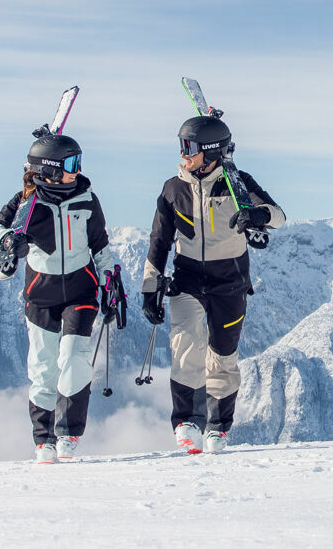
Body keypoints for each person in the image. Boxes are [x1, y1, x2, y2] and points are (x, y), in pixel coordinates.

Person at [141, 114, 285, 454]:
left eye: (188, 147)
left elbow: (278, 215)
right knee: (186, 344)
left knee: (223, 356)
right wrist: (150, 287)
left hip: (230, 283)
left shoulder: (237, 183)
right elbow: (159, 241)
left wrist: (257, 215)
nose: (182, 155)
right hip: (188, 280)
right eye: (181, 146)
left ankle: (218, 426)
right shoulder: (173, 189)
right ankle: (188, 421)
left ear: (210, 152)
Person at [0, 132, 120, 464]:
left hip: (81, 288)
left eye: (79, 162)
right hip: (40, 292)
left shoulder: (87, 199)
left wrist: (110, 282)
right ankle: (43, 437)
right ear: (49, 170)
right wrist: (8, 242)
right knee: (44, 368)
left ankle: (68, 432)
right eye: (71, 164)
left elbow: (100, 247)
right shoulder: (25, 203)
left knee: (74, 357)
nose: (78, 170)